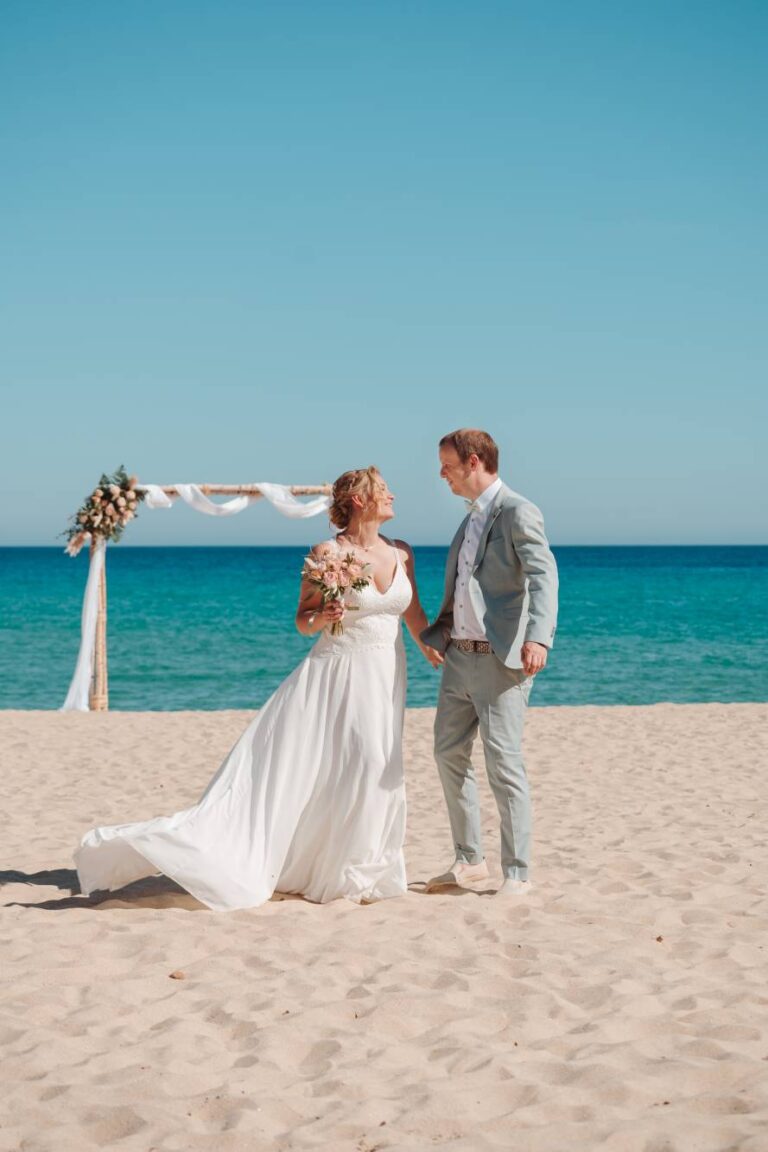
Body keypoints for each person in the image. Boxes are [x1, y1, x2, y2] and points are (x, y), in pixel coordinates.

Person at [75, 467, 440, 911]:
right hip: (339, 676)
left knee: (377, 764)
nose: (392, 495)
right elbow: (303, 620)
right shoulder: (327, 553)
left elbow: (413, 612)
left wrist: (432, 649)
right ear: (360, 500)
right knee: (363, 761)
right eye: (383, 490)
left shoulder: (402, 552)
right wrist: (323, 616)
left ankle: (357, 863)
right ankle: (346, 871)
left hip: (387, 675)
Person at [421, 429, 558, 897]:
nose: (442, 473)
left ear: (474, 461)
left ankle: (517, 873)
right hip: (458, 657)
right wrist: (440, 634)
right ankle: (469, 861)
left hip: (501, 661)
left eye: (447, 465)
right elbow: (463, 588)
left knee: (503, 764)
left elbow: (544, 576)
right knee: (447, 754)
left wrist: (538, 638)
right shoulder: (468, 520)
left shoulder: (518, 511)